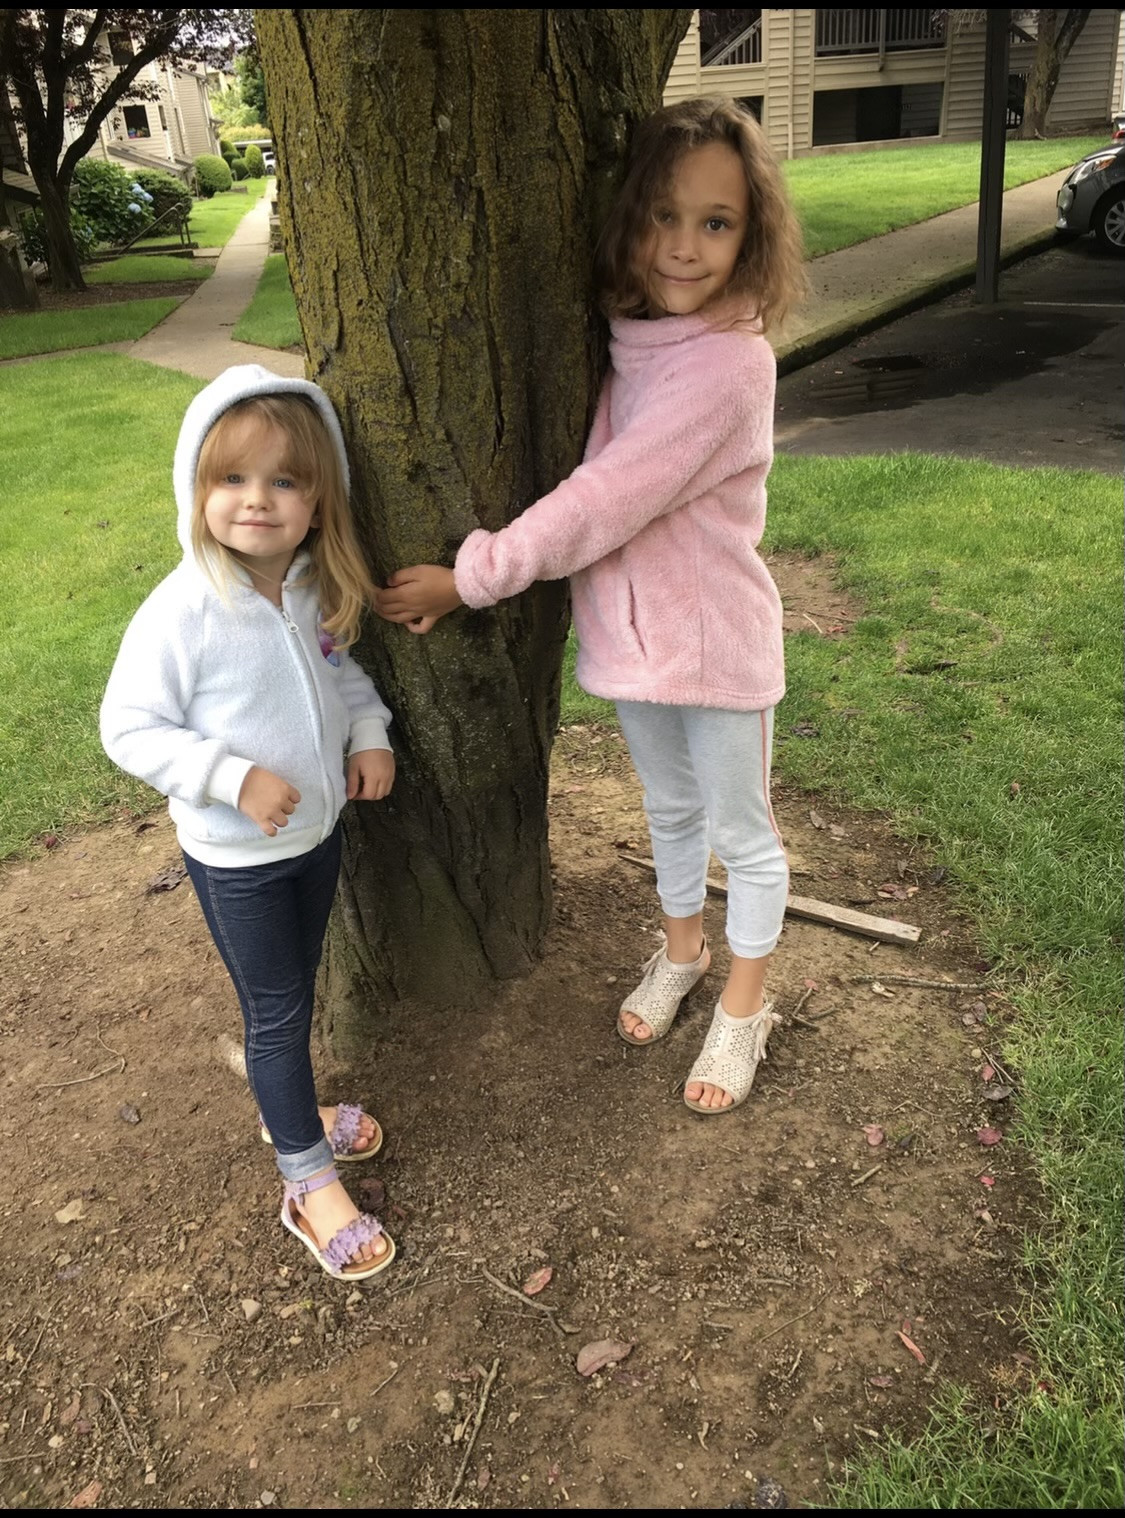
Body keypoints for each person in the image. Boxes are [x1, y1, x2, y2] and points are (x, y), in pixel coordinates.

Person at [376, 97, 805, 1115]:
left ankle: (745, 1005)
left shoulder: (730, 365)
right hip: (637, 646)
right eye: (663, 216)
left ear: (751, 236)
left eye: (716, 222)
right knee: (668, 810)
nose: (684, 247)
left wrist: (472, 576)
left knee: (742, 834)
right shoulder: (634, 345)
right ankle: (683, 952)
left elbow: (604, 498)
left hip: (719, 648)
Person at [101, 365, 397, 1278]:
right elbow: (128, 727)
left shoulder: (306, 585)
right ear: (197, 488)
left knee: (293, 991)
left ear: (318, 500)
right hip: (238, 859)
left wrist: (370, 733)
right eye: (231, 477)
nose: (257, 499)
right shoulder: (184, 609)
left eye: (283, 480)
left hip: (316, 840)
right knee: (275, 1011)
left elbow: (340, 672)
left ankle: (292, 1111)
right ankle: (307, 1181)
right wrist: (230, 778)